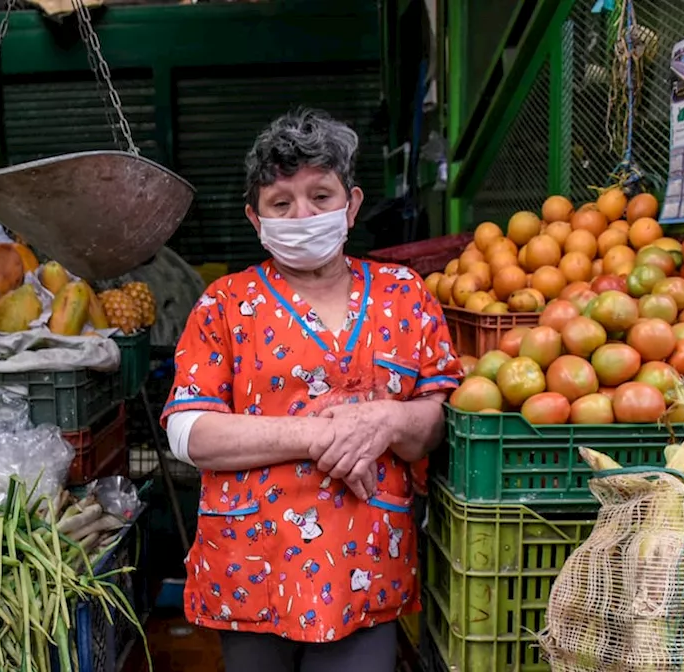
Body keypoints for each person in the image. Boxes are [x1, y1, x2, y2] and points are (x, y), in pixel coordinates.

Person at [160, 108, 463, 671]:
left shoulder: (404, 294)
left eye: (321, 197)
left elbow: (433, 422)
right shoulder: (225, 304)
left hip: (365, 563)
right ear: (256, 220)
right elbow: (190, 433)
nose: (303, 215)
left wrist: (387, 422)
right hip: (252, 563)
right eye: (282, 204)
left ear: (351, 204)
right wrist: (322, 433)